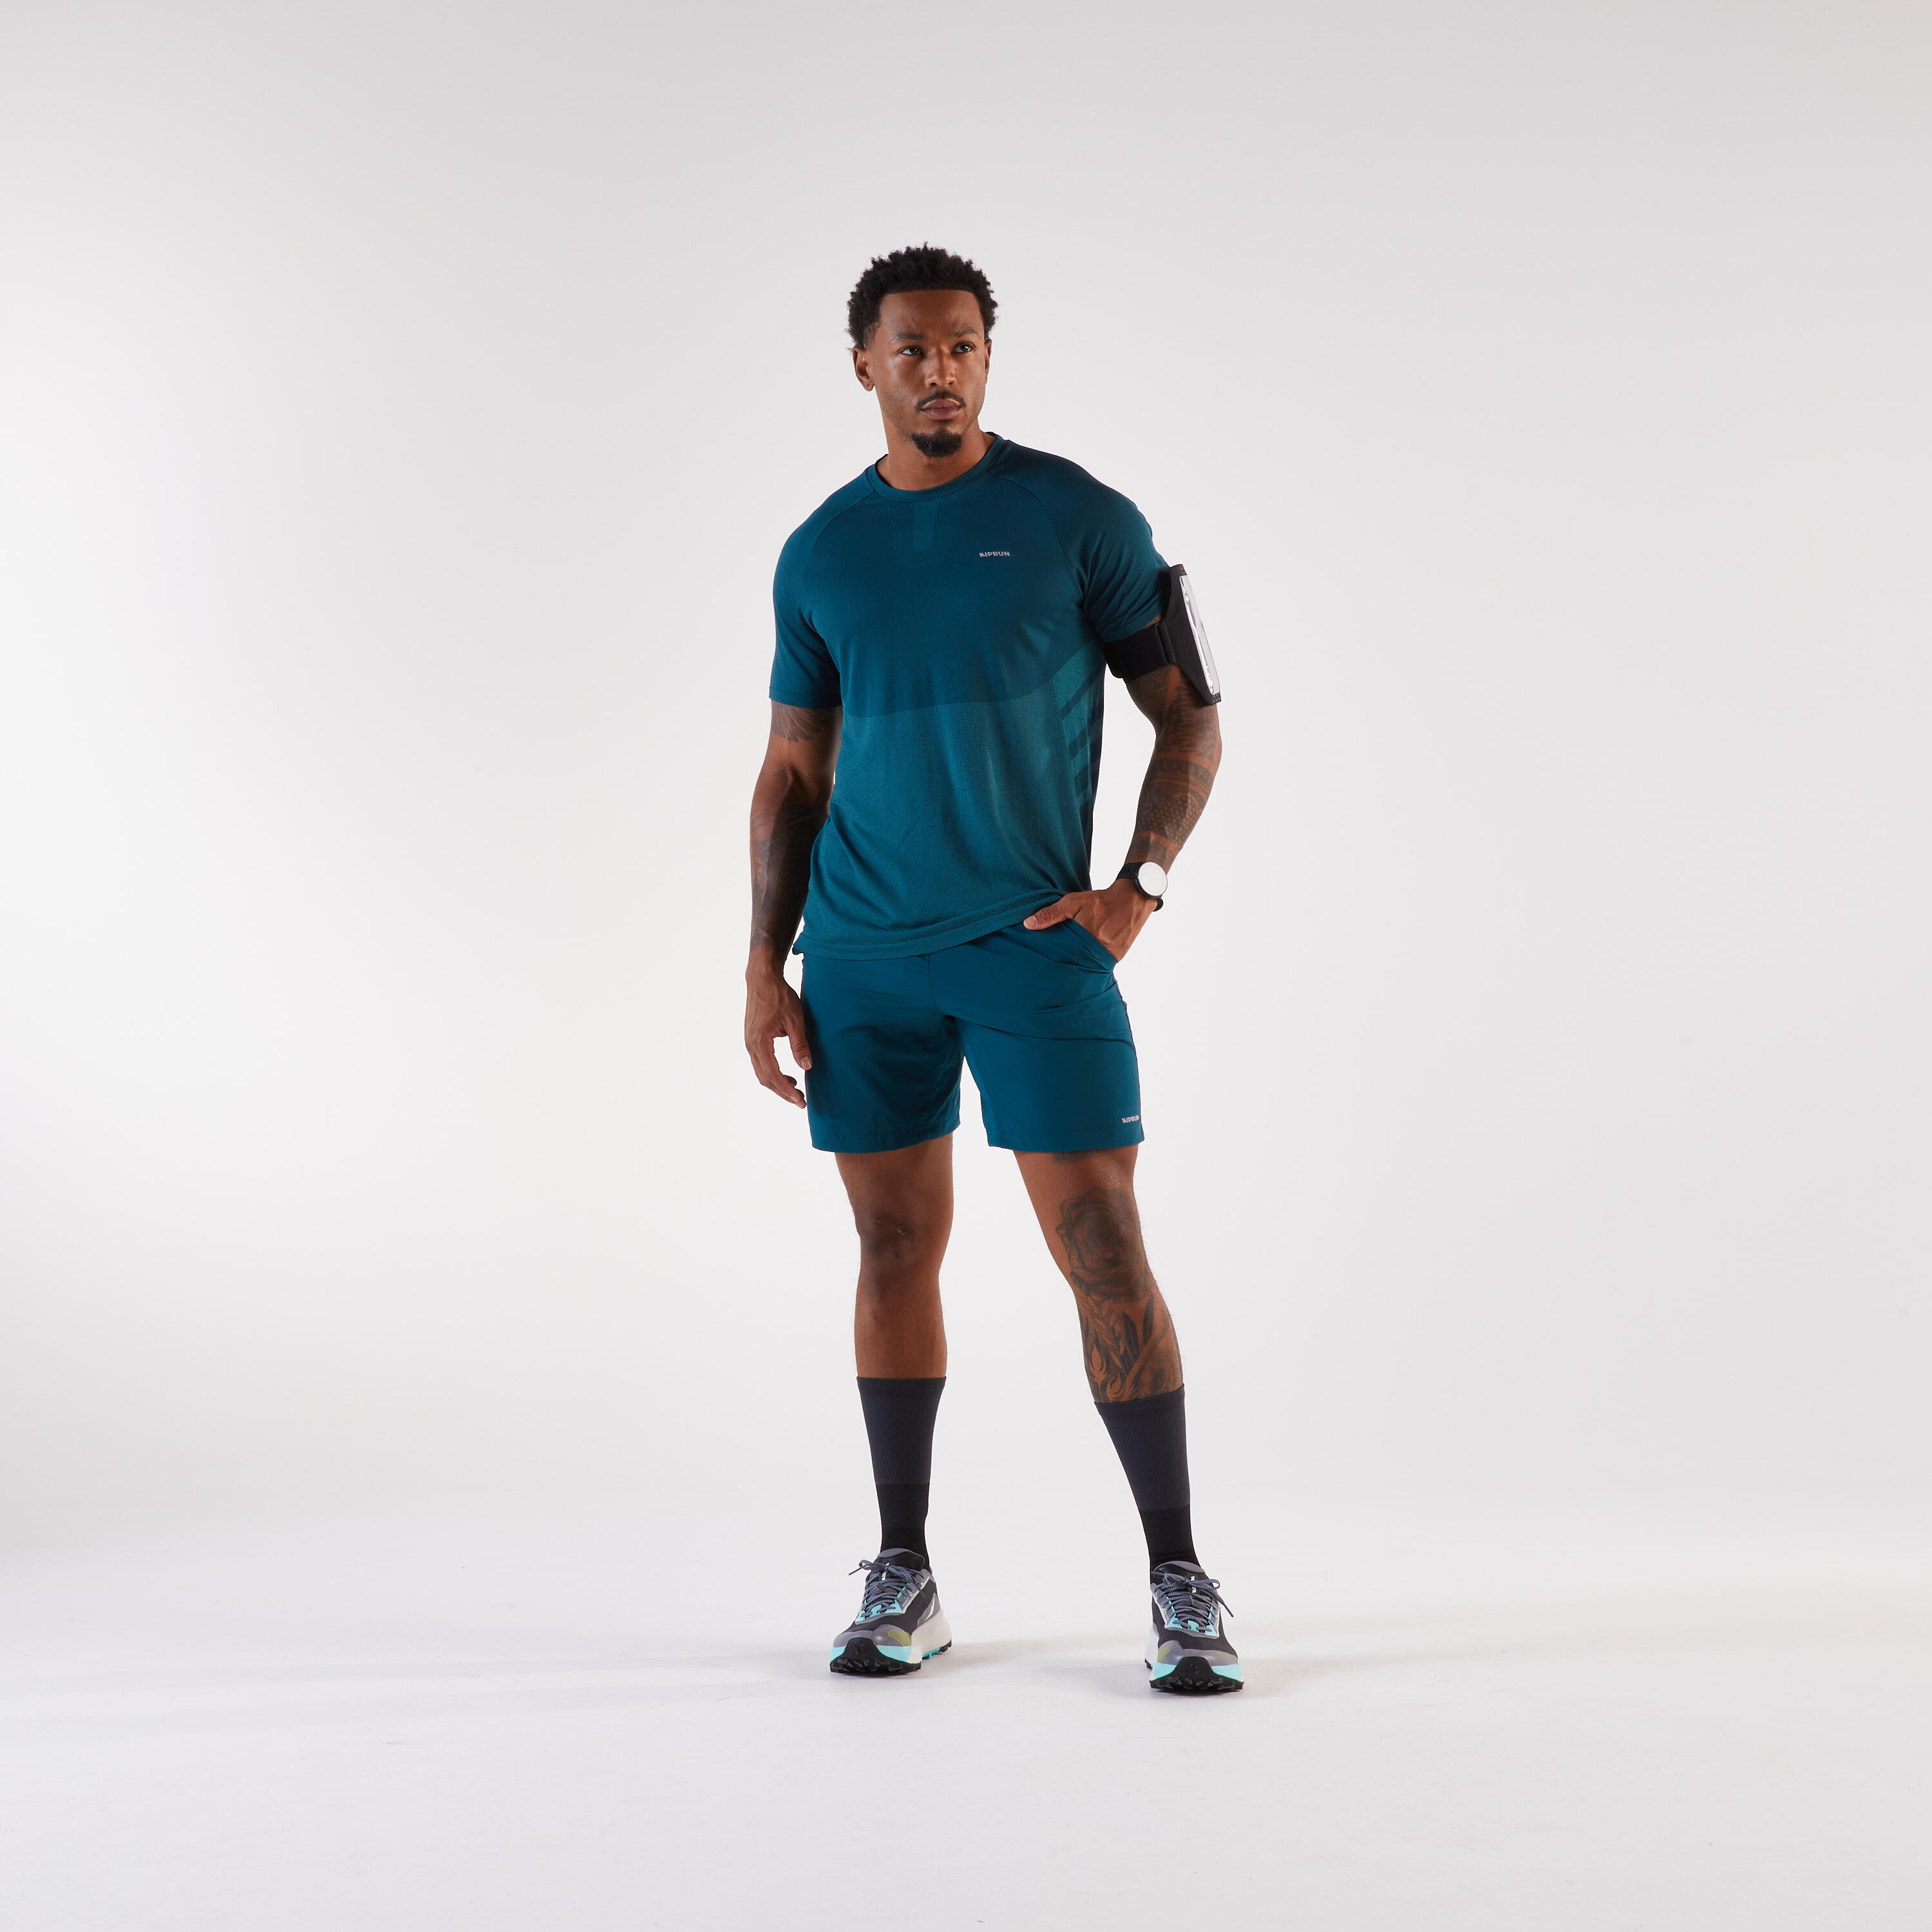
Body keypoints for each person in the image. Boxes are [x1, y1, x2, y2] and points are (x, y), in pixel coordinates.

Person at [743, 245, 1238, 1694]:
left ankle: (1180, 1577)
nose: (939, 370)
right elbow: (791, 772)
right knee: (894, 1250)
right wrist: (765, 967)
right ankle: (903, 1567)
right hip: (863, 959)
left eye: (962, 345)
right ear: (864, 365)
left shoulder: (1077, 517)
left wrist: (1139, 887)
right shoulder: (820, 552)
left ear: (986, 356)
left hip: (1034, 951)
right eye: (911, 348)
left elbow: (1192, 718)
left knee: (1103, 1245)